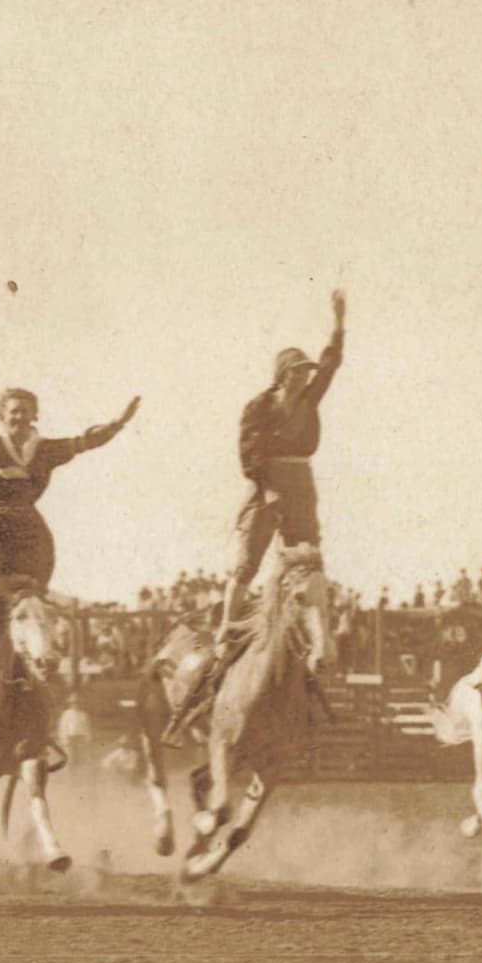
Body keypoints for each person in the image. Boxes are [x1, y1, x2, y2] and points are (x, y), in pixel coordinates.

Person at [0, 377, 140, 761]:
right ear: (2, 417)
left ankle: (37, 672)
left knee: (33, 602)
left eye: (25, 411)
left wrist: (118, 424)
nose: (19, 417)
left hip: (30, 532)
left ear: (34, 416)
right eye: (12, 412)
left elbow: (85, 442)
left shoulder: (46, 450)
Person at [162, 290, 347, 746]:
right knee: (248, 559)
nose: (307, 378)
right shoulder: (259, 408)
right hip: (270, 483)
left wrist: (338, 324)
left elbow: (332, 364)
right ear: (284, 376)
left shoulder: (309, 401)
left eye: (308, 373)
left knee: (309, 559)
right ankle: (227, 628)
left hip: (301, 483)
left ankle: (308, 635)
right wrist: (263, 485)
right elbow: (247, 450)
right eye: (299, 372)